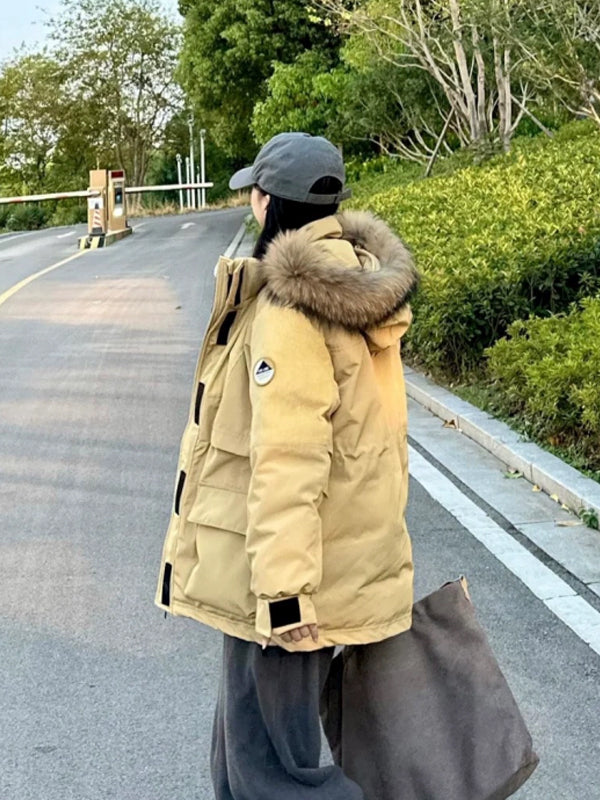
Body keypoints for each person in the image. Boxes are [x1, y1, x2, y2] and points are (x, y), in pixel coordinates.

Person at [155, 132, 420, 799]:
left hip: (286, 576)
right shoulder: (354, 280)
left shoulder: (290, 305)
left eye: (255, 189)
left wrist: (284, 592)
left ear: (268, 201)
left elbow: (289, 456)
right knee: (244, 757)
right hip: (323, 558)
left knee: (274, 771)